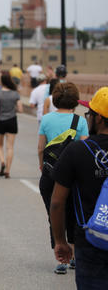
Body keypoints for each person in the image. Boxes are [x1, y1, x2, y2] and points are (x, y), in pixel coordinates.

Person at [50, 87, 108, 289]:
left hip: (89, 240)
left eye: (90, 113)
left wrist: (60, 241)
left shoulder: (76, 151)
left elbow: (57, 203)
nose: (89, 117)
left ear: (99, 118)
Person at [37, 82, 89, 274]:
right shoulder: (80, 121)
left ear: (55, 98)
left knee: (54, 214)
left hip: (51, 173)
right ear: (75, 100)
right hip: (74, 176)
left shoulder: (47, 119)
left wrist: (43, 165)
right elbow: (84, 149)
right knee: (74, 213)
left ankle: (60, 259)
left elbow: (41, 147)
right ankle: (74, 255)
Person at [0, 71, 23, 179]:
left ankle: (2, 162)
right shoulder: (15, 93)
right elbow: (20, 109)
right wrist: (12, 109)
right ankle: (8, 170)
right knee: (10, 147)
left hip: (0, 120)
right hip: (12, 121)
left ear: (1, 81)